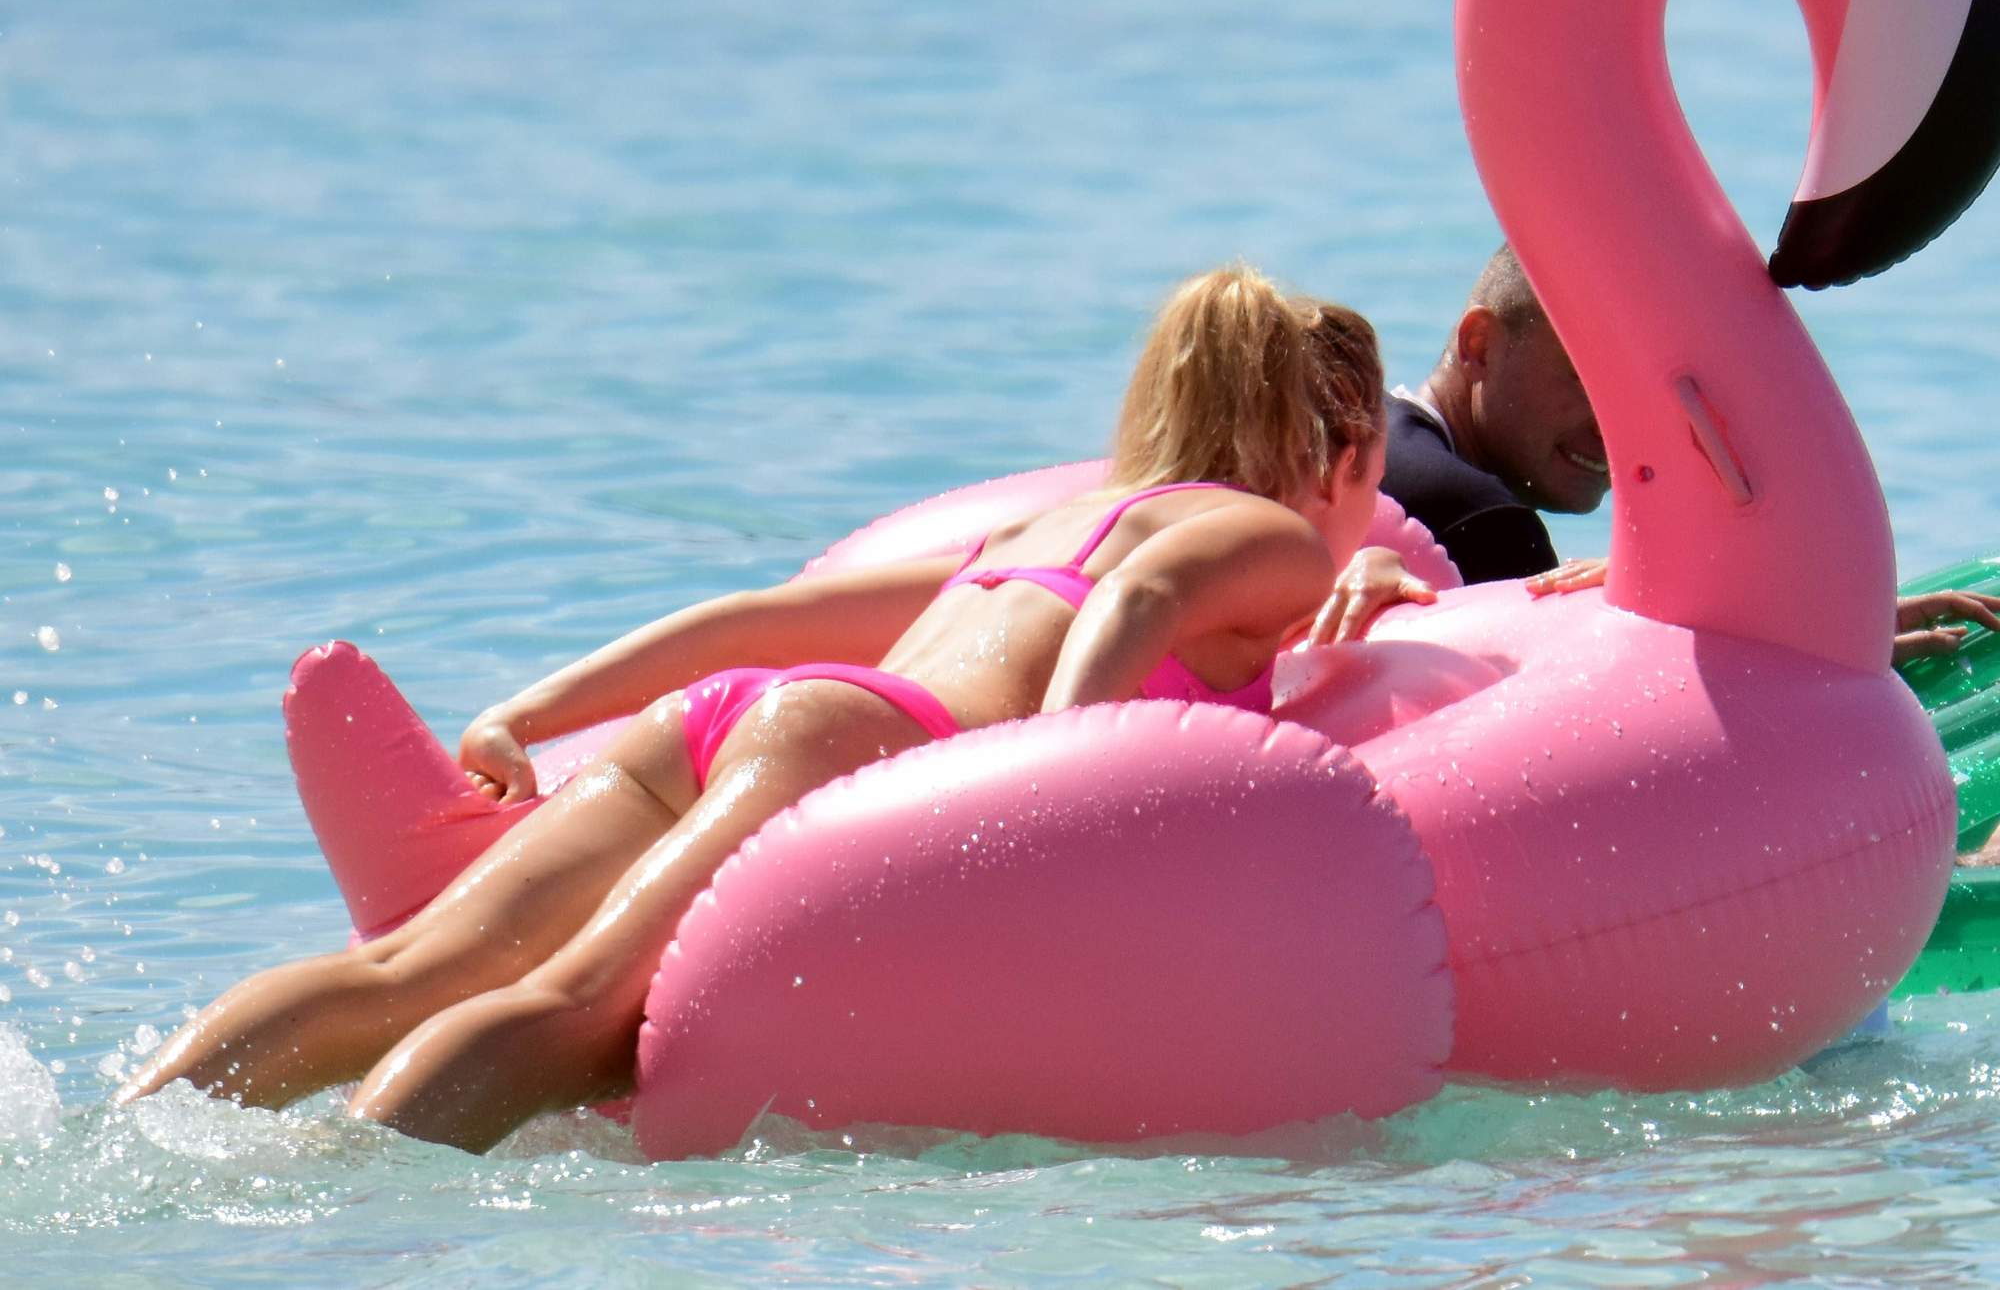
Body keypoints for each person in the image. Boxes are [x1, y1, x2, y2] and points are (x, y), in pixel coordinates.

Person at [115, 264, 1389, 1152]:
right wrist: (1060, 780)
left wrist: (530, 712)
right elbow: (1140, 605)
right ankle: (342, 1222)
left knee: (397, 972)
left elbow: (755, 621)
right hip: (854, 743)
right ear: (1342, 450)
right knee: (579, 1015)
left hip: (730, 716)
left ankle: (133, 1134)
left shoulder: (1044, 526)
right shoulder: (1271, 535)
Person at [1312, 243, 2000, 663]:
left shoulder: (1372, 451)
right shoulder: (1475, 517)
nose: (1615, 428)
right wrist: (1807, 650)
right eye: (1587, 379)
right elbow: (1598, 718)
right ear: (1479, 344)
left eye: (1636, 397)